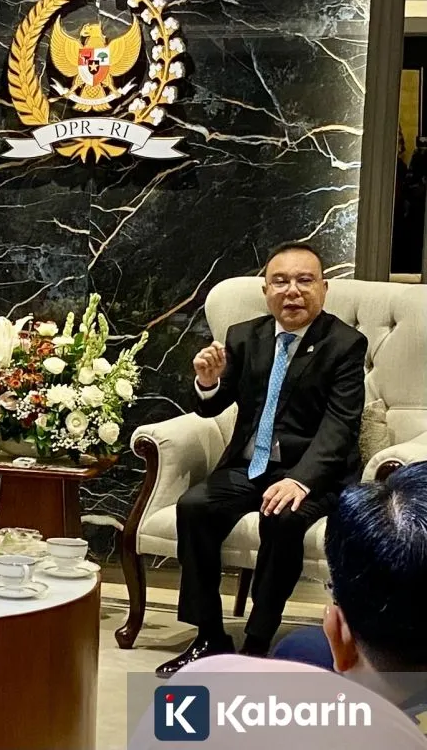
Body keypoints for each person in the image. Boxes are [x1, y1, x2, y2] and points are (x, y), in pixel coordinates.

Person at [157, 241, 367, 678]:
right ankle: (209, 637)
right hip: (250, 467)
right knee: (194, 507)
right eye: (281, 281)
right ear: (266, 290)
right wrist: (208, 382)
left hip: (313, 474)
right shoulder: (244, 336)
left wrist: (301, 480)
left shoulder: (345, 344)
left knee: (282, 518)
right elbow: (212, 408)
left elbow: (340, 426)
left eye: (305, 281)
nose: (293, 291)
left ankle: (256, 641)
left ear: (323, 288)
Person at [129, 464, 427, 748]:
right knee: (300, 648)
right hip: (250, 475)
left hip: (313, 481)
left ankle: (258, 637)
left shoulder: (197, 683)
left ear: (337, 632)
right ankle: (210, 634)